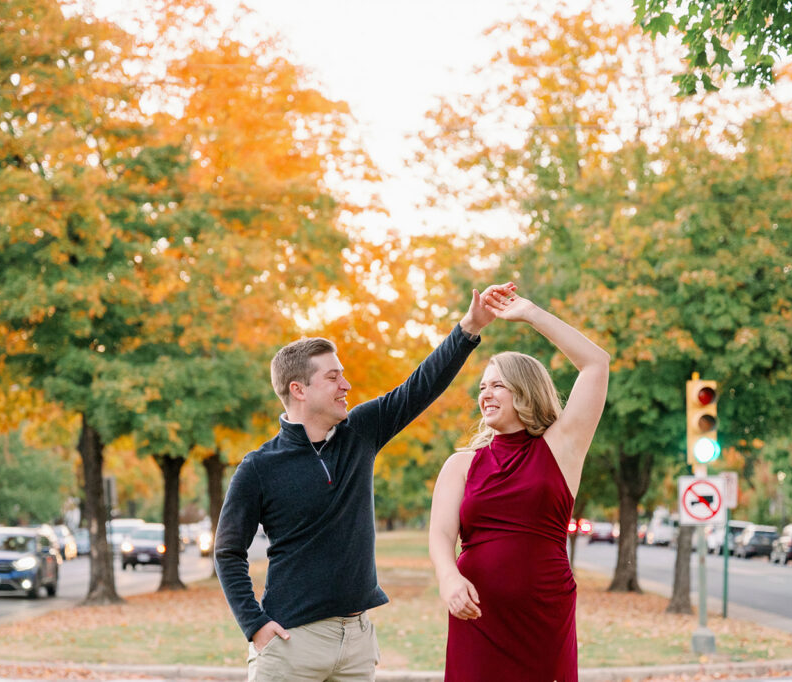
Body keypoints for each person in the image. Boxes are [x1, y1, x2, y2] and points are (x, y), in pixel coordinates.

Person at [214, 283, 511, 682]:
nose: (346, 386)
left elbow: (418, 387)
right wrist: (254, 625)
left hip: (357, 643)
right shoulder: (258, 467)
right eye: (333, 377)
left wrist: (470, 327)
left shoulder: (360, 432)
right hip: (291, 642)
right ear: (298, 390)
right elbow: (228, 551)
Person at [428, 288, 610, 682]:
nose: (486, 394)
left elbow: (596, 364)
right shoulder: (461, 464)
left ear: (524, 391)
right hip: (475, 612)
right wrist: (448, 578)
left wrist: (531, 314)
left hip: (544, 613)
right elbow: (441, 535)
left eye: (497, 385)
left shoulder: (561, 447)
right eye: (482, 387)